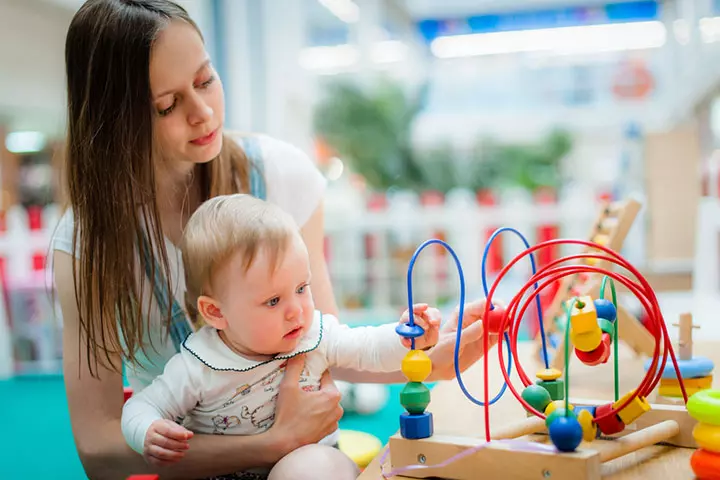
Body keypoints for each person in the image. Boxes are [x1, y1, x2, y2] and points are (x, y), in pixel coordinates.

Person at [52, 0, 500, 478]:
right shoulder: (85, 243)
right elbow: (98, 447)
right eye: (167, 105)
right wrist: (271, 442)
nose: (204, 113)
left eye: (206, 80)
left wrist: (432, 356)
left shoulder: (283, 175)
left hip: (301, 459)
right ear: (115, 119)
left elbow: (330, 344)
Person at [121, 194, 443, 479]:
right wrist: (147, 430)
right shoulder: (199, 364)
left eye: (302, 289)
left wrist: (405, 337)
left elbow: (368, 349)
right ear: (217, 313)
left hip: (304, 466)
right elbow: (141, 406)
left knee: (319, 469)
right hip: (221, 473)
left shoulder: (313, 335)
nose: (296, 311)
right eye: (273, 301)